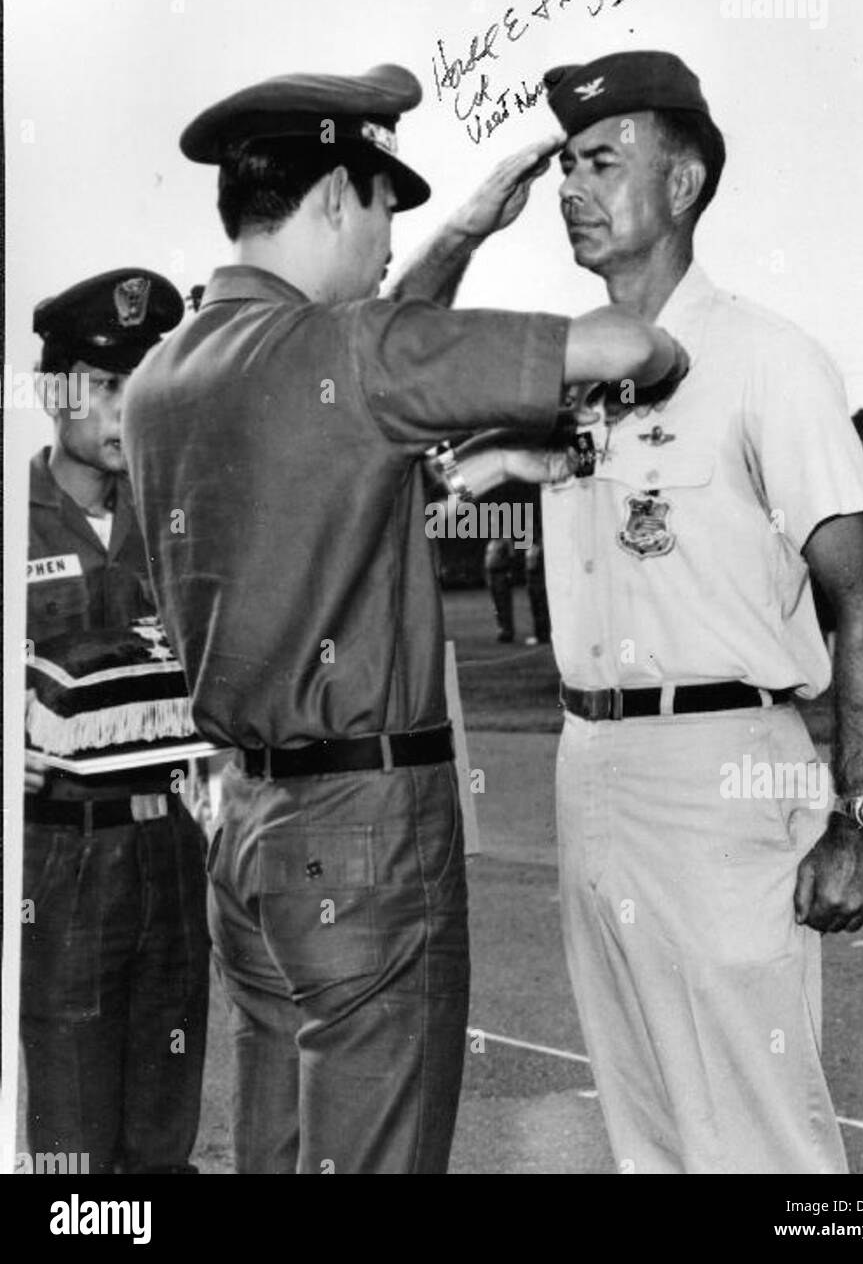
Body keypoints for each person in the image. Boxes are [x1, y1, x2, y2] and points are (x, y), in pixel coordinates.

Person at [121, 64, 688, 1175]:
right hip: (368, 827)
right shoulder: (352, 354)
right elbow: (623, 351)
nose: (389, 243)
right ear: (336, 194)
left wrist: (463, 237)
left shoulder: (157, 381)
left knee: (282, 1156)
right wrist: (658, 353)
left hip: (247, 826)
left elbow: (358, 381)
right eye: (386, 208)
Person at [448, 51, 863, 1174]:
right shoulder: (563, 375)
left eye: (602, 160)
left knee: (757, 1124)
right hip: (587, 758)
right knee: (644, 1122)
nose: (570, 189)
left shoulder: (765, 359)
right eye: (563, 169)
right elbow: (384, 362)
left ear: (684, 184)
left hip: (720, 769)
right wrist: (461, 232)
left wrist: (861, 822)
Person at [21, 269, 210, 1174]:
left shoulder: (179, 520)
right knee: (70, 1144)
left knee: (163, 1137)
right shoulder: (14, 525)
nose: (128, 408)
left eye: (145, 383)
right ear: (56, 389)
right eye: (106, 386)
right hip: (56, 861)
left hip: (170, 848)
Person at [484, 484, 550, 645]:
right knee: (499, 607)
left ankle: (537, 634)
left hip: (505, 575)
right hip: (497, 576)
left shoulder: (506, 541)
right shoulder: (492, 542)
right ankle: (508, 631)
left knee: (533, 607)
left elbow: (512, 557)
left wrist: (509, 572)